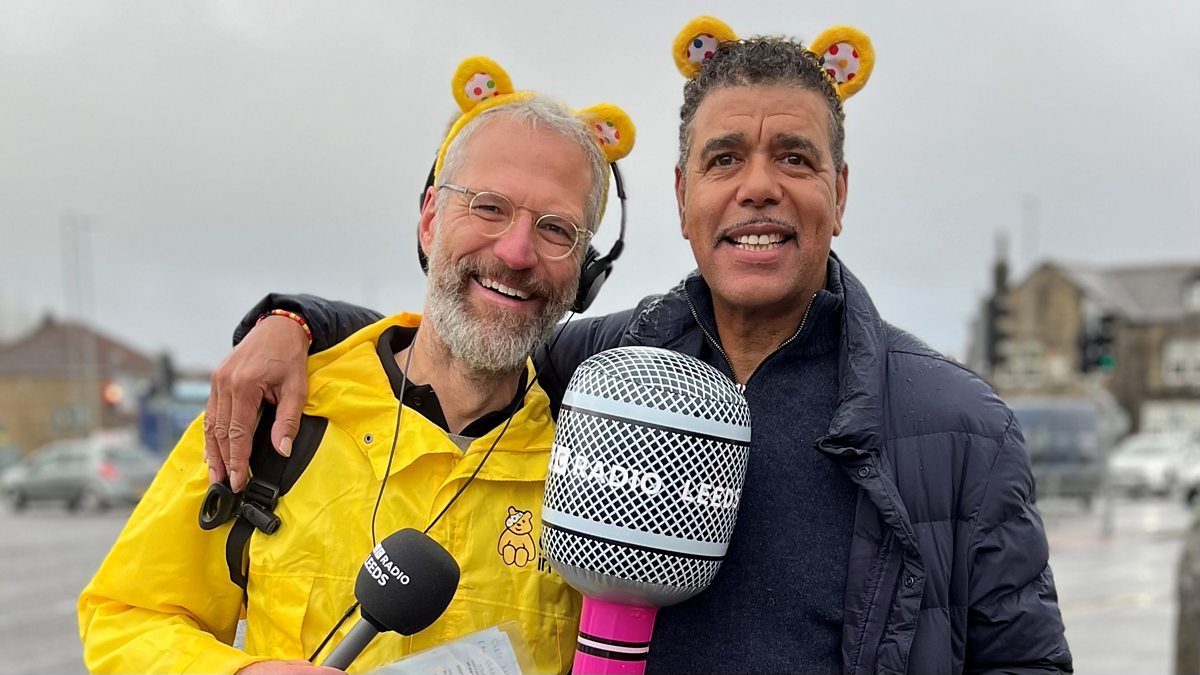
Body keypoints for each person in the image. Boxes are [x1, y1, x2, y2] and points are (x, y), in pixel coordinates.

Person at [204, 17, 1073, 674]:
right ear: (682, 195)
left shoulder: (960, 426)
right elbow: (462, 331)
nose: (759, 186)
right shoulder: (593, 365)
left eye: (795, 159)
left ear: (838, 194)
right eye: (725, 159)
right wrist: (294, 322)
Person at [78, 56, 637, 674]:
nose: (516, 251)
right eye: (488, 207)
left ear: (586, 271)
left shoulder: (595, 470)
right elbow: (125, 619)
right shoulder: (279, 415)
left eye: (557, 229)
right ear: (430, 220)